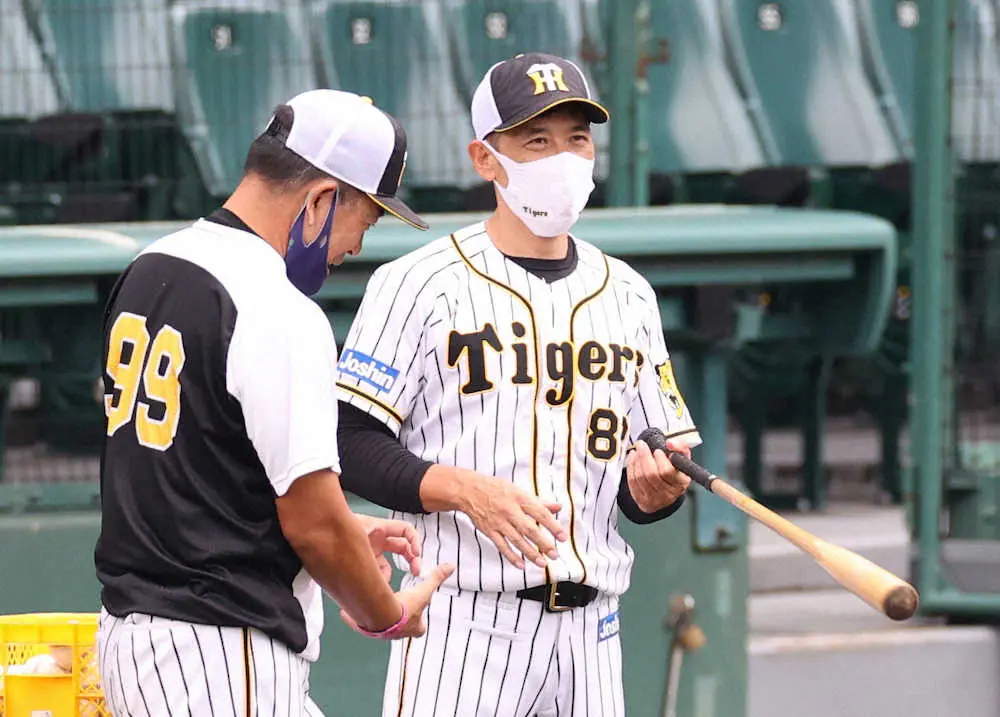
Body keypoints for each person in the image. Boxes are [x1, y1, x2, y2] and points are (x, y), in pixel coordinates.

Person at [334, 53, 701, 716]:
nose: (562, 156)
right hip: (463, 623)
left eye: (576, 138)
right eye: (536, 140)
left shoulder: (629, 294)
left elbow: (645, 479)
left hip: (593, 631)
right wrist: (462, 489)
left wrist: (656, 492)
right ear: (485, 158)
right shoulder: (416, 284)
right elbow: (349, 440)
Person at [94, 89, 454, 716]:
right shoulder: (276, 307)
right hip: (219, 652)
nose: (355, 246)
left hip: (142, 642)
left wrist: (344, 533)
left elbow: (193, 469)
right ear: (321, 199)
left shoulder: (151, 265)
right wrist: (388, 612)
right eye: (365, 220)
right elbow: (314, 524)